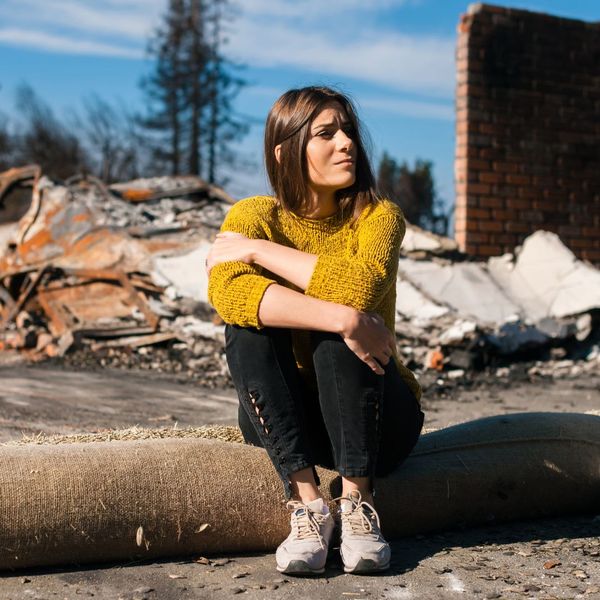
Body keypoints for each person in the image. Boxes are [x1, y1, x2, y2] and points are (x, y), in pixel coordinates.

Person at [206, 86, 424, 576]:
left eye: (348, 130)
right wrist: (343, 318)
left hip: (377, 418)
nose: (347, 142)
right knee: (250, 327)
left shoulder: (378, 217)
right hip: (294, 420)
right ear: (285, 150)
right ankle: (308, 505)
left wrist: (259, 253)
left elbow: (362, 286)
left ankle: (358, 503)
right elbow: (229, 294)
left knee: (340, 334)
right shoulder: (253, 216)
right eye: (326, 133)